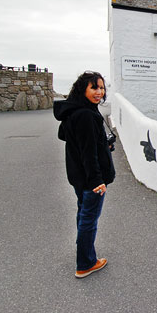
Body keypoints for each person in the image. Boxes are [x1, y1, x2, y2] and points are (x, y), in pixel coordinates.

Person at [53, 71, 116, 278]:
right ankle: (86, 263)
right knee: (89, 218)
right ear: (83, 89)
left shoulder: (76, 111)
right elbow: (88, 153)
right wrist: (97, 181)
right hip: (90, 180)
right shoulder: (86, 115)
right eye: (94, 87)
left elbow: (66, 135)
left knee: (83, 214)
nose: (100, 92)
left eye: (102, 87)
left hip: (78, 177)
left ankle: (84, 254)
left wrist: (102, 144)